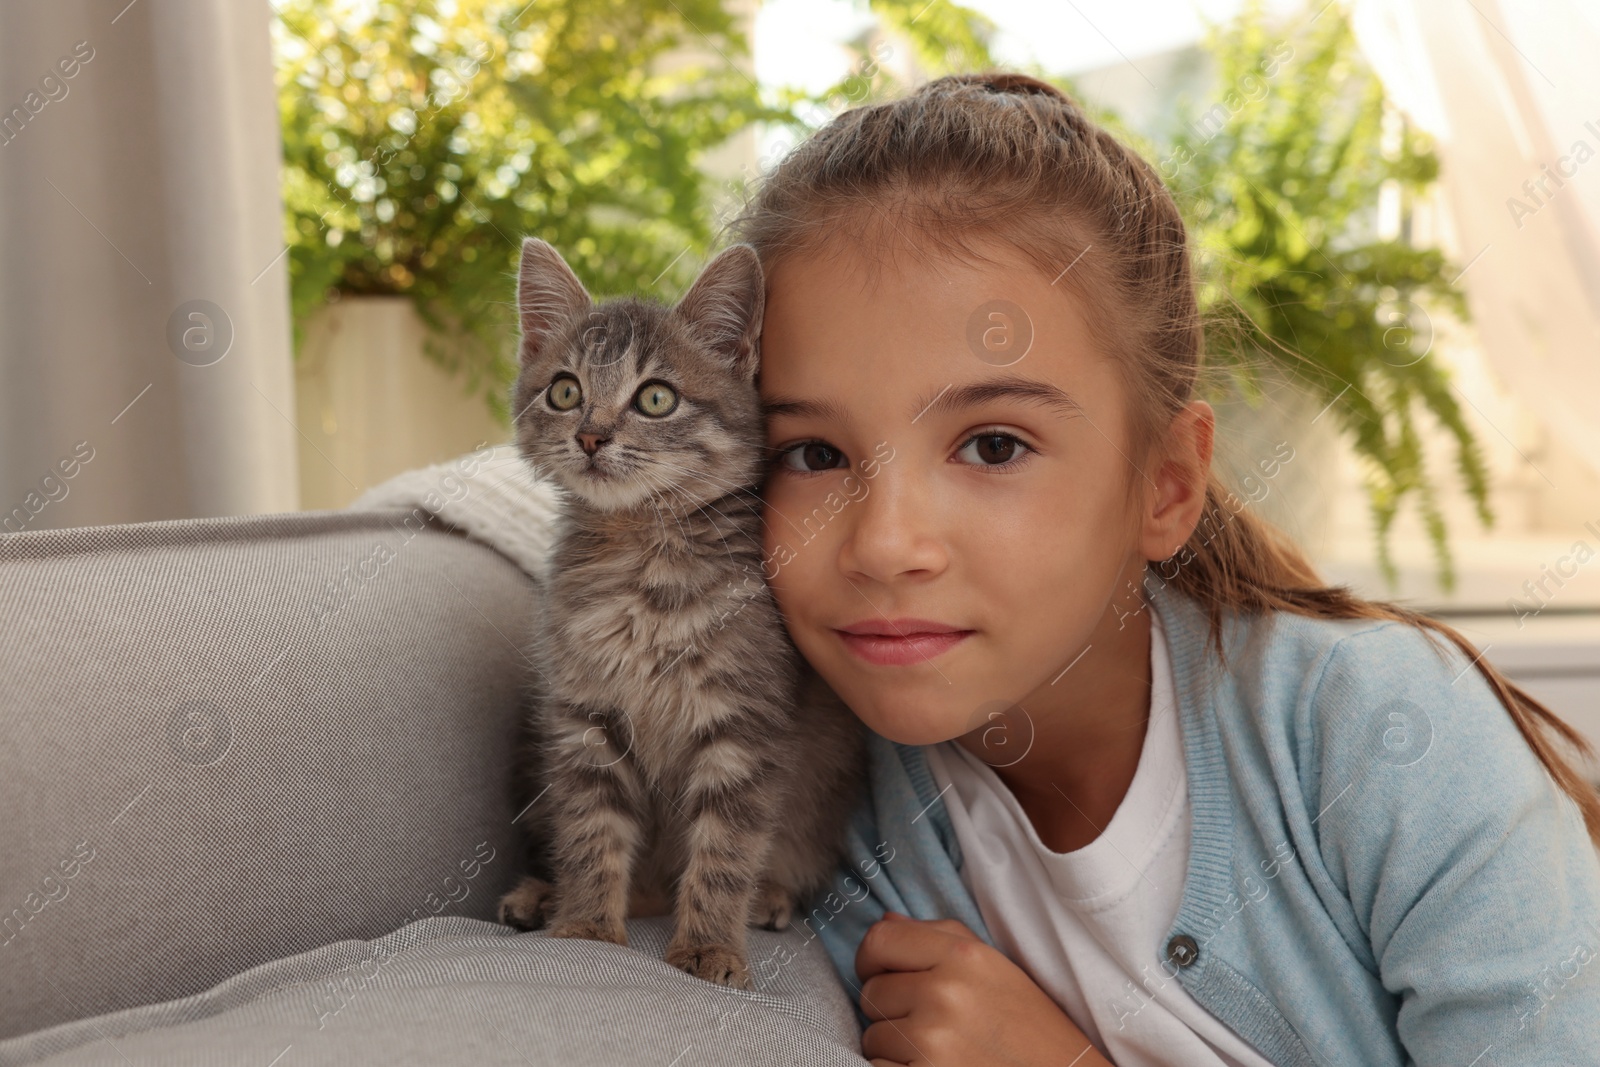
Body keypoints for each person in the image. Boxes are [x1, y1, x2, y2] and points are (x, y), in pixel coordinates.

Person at [729, 71, 1600, 1066]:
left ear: (1165, 484)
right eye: (811, 454)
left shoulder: (1386, 741)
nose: (884, 544)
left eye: (994, 445)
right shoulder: (818, 817)